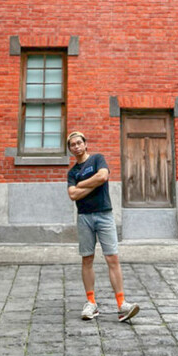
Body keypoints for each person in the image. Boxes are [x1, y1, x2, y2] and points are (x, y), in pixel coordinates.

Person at [66, 130, 140, 322]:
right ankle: (91, 303)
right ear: (70, 150)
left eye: (79, 143)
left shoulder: (98, 159)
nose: (76, 146)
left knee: (112, 258)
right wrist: (93, 184)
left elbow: (103, 177)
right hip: (84, 217)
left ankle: (122, 305)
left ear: (85, 144)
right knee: (87, 259)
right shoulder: (72, 172)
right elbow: (72, 195)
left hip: (104, 215)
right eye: (72, 145)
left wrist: (81, 186)